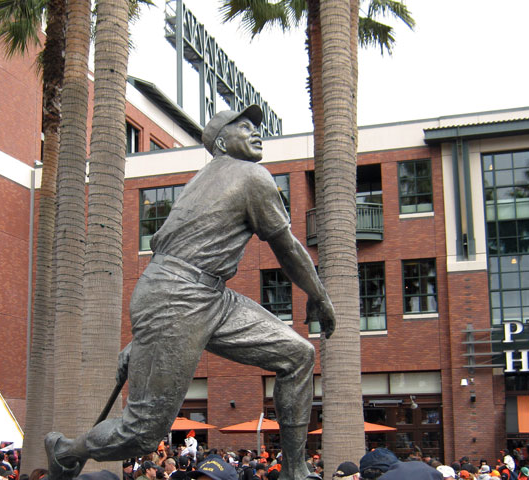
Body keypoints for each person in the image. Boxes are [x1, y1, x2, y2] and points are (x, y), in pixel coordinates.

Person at [45, 105, 337, 480]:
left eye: (255, 127)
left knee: (298, 355)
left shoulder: (207, 180)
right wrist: (320, 295)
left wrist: (143, 343)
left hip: (209, 296)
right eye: (243, 127)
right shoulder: (251, 176)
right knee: (142, 434)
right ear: (220, 141)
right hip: (177, 297)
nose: (255, 132)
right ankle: (65, 449)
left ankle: (295, 470)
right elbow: (288, 248)